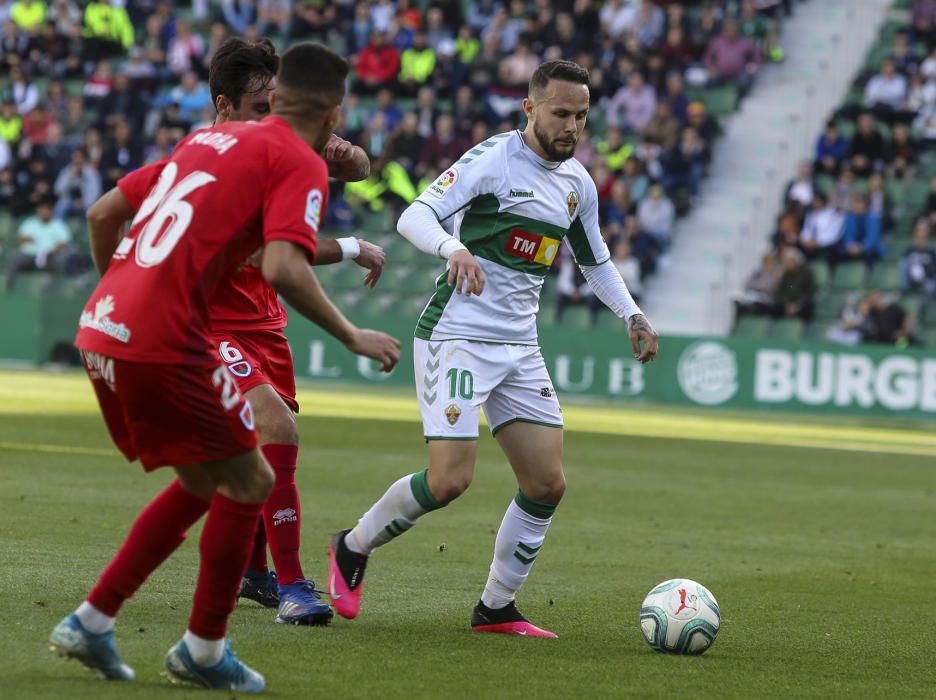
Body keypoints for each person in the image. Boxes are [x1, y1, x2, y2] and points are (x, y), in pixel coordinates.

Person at [48, 43, 401, 692]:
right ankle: (205, 648)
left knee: (209, 481)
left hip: (105, 324)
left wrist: (123, 295)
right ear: (334, 111)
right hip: (170, 336)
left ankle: (93, 620)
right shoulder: (295, 158)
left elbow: (104, 214)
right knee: (252, 479)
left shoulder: (209, 138)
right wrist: (352, 333)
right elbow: (282, 267)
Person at [326, 60, 658, 638]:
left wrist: (629, 311)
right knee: (450, 481)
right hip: (456, 337)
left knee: (546, 484)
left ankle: (495, 608)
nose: (572, 126)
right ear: (530, 109)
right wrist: (452, 249)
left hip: (519, 347)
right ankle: (352, 546)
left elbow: (594, 258)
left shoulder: (578, 185)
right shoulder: (493, 160)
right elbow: (415, 215)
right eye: (560, 113)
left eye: (580, 116)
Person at [5, 198, 77, 292]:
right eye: (41, 210)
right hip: (29, 255)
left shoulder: (58, 225)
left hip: (50, 257)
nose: (43, 212)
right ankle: (9, 289)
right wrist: (26, 239)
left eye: (46, 210)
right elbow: (20, 238)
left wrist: (52, 251)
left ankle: (57, 291)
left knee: (62, 261)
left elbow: (64, 244)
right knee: (14, 258)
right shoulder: (30, 223)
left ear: (51, 212)